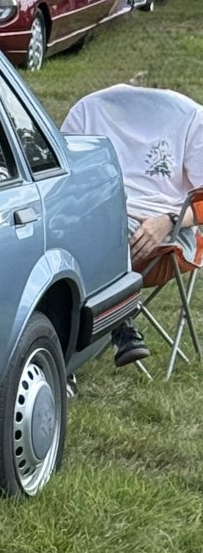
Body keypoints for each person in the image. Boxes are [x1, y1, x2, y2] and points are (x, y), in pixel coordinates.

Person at [63, 84, 203, 365]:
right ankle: (118, 321)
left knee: (85, 241)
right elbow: (64, 180)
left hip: (169, 236)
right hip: (102, 221)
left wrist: (168, 221)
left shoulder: (191, 118)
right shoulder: (89, 110)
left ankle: (112, 324)